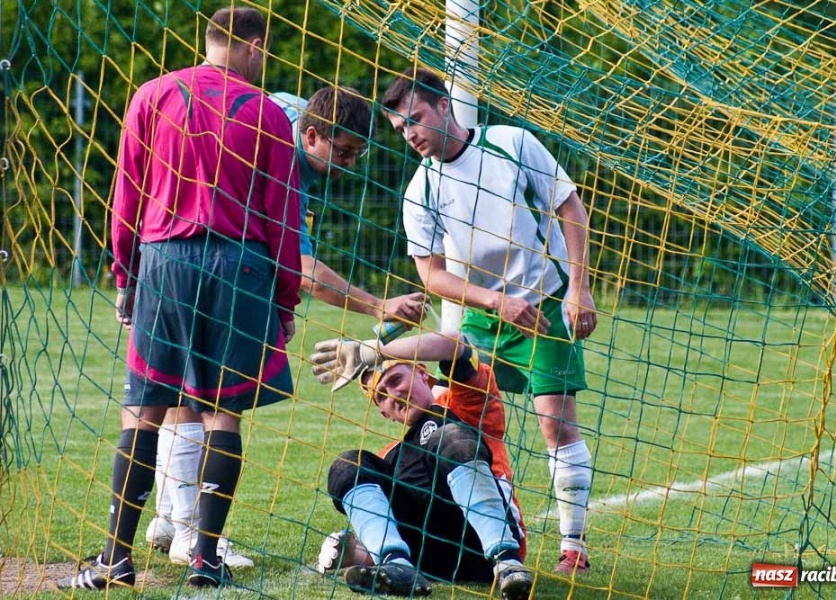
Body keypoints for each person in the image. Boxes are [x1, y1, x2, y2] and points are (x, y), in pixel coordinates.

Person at [57, 7, 303, 590]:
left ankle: (116, 560)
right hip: (240, 265)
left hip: (164, 260)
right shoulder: (268, 113)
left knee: (144, 409)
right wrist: (285, 300)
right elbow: (282, 218)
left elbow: (127, 195)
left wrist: (127, 277)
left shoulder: (153, 94)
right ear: (254, 45)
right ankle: (205, 559)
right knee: (223, 412)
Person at [143, 87, 427, 568]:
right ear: (311, 134)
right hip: (213, 265)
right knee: (211, 401)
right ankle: (192, 536)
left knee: (178, 394)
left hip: (164, 252)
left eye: (357, 154)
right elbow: (304, 266)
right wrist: (379, 305)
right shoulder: (287, 155)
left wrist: (279, 304)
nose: (349, 164)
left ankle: (170, 518)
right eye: (342, 152)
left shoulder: (284, 108)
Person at [381, 67, 597, 574]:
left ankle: (573, 547)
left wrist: (581, 289)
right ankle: (481, 539)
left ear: (443, 106)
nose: (410, 135)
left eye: (414, 120)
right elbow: (432, 275)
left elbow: (571, 210)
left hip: (544, 307)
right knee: (457, 430)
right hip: (481, 320)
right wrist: (493, 301)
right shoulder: (420, 190)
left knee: (554, 424)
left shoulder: (512, 144)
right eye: (399, 129)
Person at [309, 331, 533, 599]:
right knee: (348, 465)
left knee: (449, 437)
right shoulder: (390, 456)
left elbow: (454, 344)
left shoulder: (468, 406)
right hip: (428, 561)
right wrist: (356, 553)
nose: (395, 394)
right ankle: (395, 566)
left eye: (396, 380)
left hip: (482, 551)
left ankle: (507, 563)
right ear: (385, 414)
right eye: (382, 396)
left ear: (424, 374)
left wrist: (374, 352)